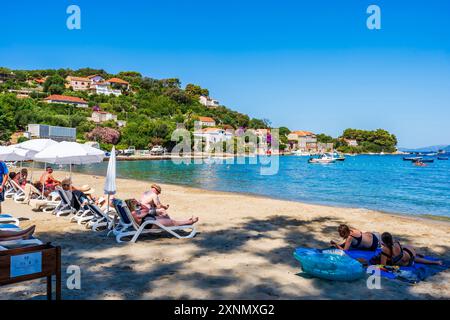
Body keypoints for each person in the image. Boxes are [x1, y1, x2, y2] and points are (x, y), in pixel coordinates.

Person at [132, 183, 199, 227]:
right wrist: (165, 207)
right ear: (156, 191)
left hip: (143, 213)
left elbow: (149, 205)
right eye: (158, 192)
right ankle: (173, 224)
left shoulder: (146, 192)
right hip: (146, 214)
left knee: (162, 213)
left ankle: (169, 222)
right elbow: (158, 206)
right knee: (163, 211)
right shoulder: (154, 194)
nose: (158, 194)